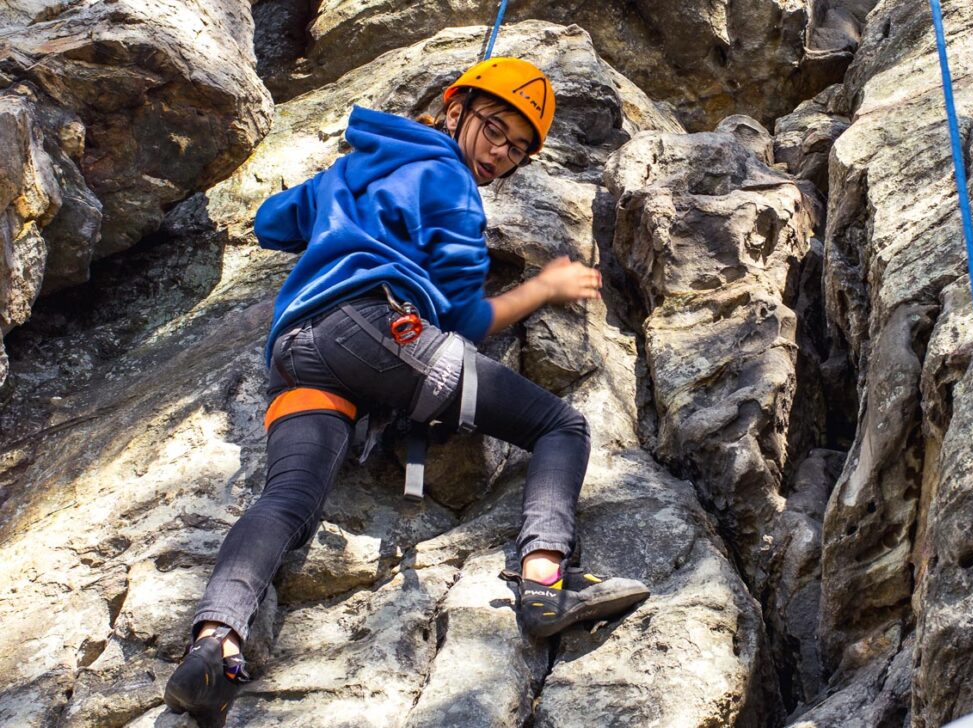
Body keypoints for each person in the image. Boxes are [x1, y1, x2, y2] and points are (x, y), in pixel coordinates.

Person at [163, 57, 650, 727]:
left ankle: (214, 647)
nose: (500, 155)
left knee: (287, 502)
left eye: (515, 148)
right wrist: (542, 289)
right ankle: (544, 586)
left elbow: (275, 222)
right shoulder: (449, 180)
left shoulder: (362, 165)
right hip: (373, 331)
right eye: (493, 129)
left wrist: (342, 186)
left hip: (296, 352)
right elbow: (463, 318)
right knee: (559, 426)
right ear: (454, 112)